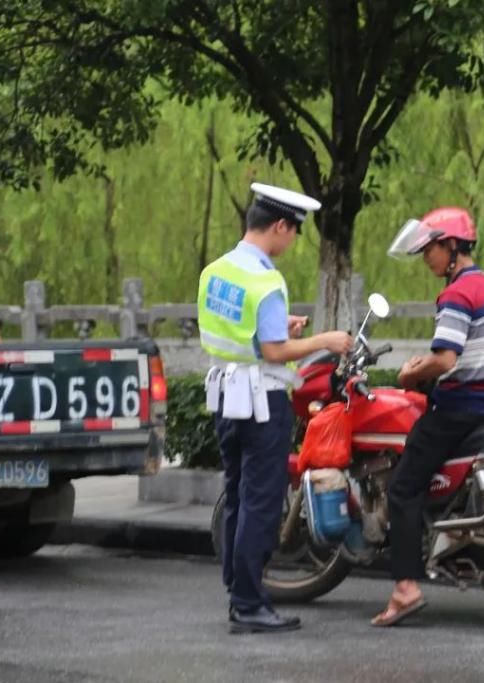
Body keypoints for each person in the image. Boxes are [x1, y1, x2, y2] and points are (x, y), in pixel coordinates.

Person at [197, 182, 352, 634]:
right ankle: (248, 604)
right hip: (262, 401)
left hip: (226, 396)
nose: (291, 243)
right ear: (279, 226)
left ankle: (235, 586)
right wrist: (325, 340)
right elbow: (273, 351)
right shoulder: (266, 279)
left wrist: (278, 327)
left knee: (238, 495)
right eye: (293, 233)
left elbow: (232, 330)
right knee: (261, 504)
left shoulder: (217, 270)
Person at [371, 207, 484, 626]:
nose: (425, 258)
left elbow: (447, 358)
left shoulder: (456, 293)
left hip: (461, 408)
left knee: (401, 486)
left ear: (451, 247)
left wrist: (413, 372)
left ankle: (405, 588)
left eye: (430, 249)